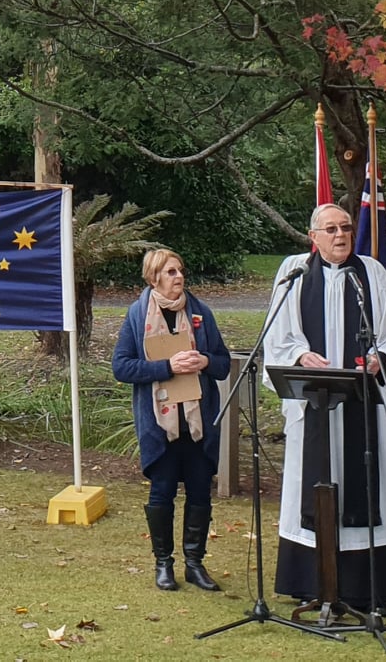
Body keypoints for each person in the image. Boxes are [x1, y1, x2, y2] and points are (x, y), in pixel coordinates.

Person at [265, 203, 386, 610]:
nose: (340, 235)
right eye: (330, 229)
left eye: (346, 228)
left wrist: (380, 358)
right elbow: (277, 336)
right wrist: (299, 355)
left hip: (364, 403)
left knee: (368, 482)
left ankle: (370, 586)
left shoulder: (373, 274)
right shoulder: (295, 272)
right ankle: (312, 582)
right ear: (313, 237)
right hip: (314, 403)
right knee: (314, 479)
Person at [112, 248, 232, 592]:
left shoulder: (200, 313)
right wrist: (167, 367)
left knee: (200, 492)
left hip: (197, 424)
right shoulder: (138, 315)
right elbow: (122, 367)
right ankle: (163, 564)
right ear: (154, 278)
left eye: (180, 270)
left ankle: (195, 564)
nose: (179, 277)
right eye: (170, 272)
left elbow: (223, 363)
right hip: (160, 425)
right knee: (161, 492)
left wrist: (204, 361)